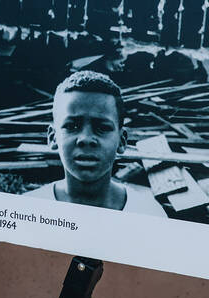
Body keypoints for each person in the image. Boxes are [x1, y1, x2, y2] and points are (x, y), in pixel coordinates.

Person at [25, 70, 166, 216]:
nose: (86, 139)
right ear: (53, 137)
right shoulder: (29, 209)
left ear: (122, 140)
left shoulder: (149, 214)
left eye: (102, 128)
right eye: (72, 126)